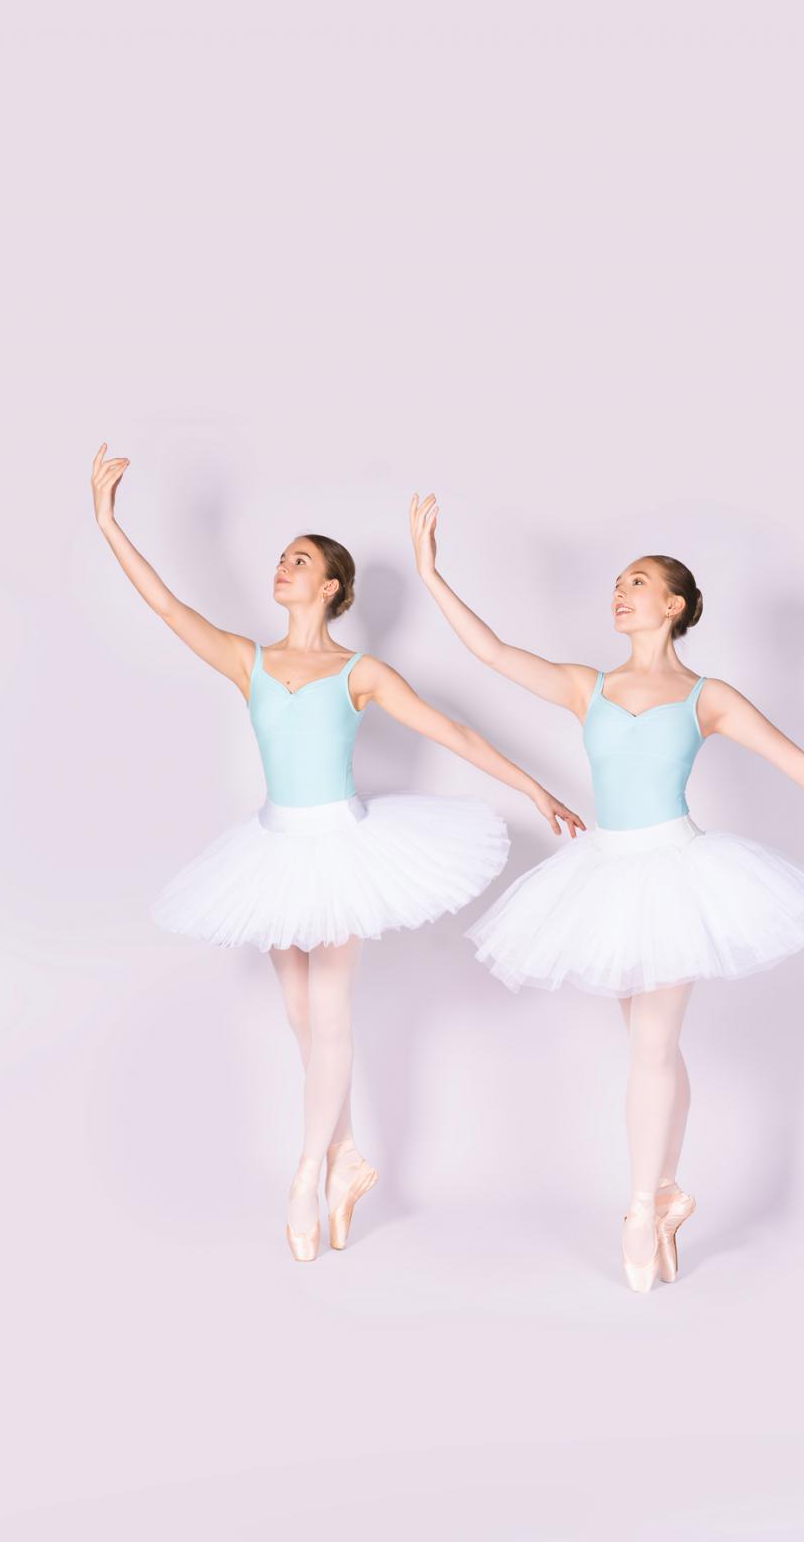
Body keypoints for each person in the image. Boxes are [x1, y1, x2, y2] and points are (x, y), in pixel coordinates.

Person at [410, 493, 804, 1292]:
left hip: (679, 872)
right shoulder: (587, 684)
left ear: (675, 605)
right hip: (605, 875)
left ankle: (639, 1210)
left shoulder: (707, 696)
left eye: (639, 581)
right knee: (653, 1048)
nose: (621, 591)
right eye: (617, 581)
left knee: (651, 1049)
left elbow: (797, 763)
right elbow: (496, 653)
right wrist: (430, 573)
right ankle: (669, 1192)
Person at [91, 447, 582, 1262]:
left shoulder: (361, 673)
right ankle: (351, 1153)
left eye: (301, 562)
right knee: (298, 1015)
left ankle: (308, 1172)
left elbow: (454, 732)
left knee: (329, 1017)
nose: (282, 569)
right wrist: (111, 521)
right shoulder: (249, 660)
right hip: (274, 848)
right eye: (281, 558)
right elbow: (173, 608)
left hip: (344, 849)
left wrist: (535, 789)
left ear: (332, 590)